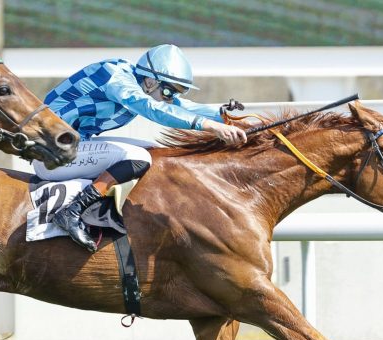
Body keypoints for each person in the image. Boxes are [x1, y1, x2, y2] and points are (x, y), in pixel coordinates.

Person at [34, 43, 247, 252]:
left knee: (156, 152)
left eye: (174, 93)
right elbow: (152, 108)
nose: (170, 98)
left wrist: (219, 114)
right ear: (151, 81)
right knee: (138, 156)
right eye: (168, 91)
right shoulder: (116, 77)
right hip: (51, 153)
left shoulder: (140, 82)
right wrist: (209, 126)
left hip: (73, 146)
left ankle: (104, 208)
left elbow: (178, 105)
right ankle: (72, 212)